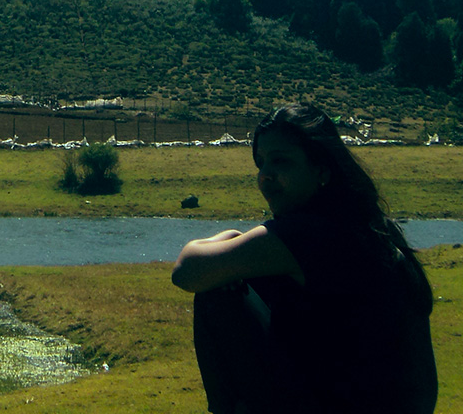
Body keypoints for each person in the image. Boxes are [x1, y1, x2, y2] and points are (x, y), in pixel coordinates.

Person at [172, 103, 438, 414]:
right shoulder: (373, 227)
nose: (266, 176)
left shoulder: (305, 233)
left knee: (215, 290)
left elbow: (187, 271)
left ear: (321, 170)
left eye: (281, 162)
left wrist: (231, 235)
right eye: (260, 164)